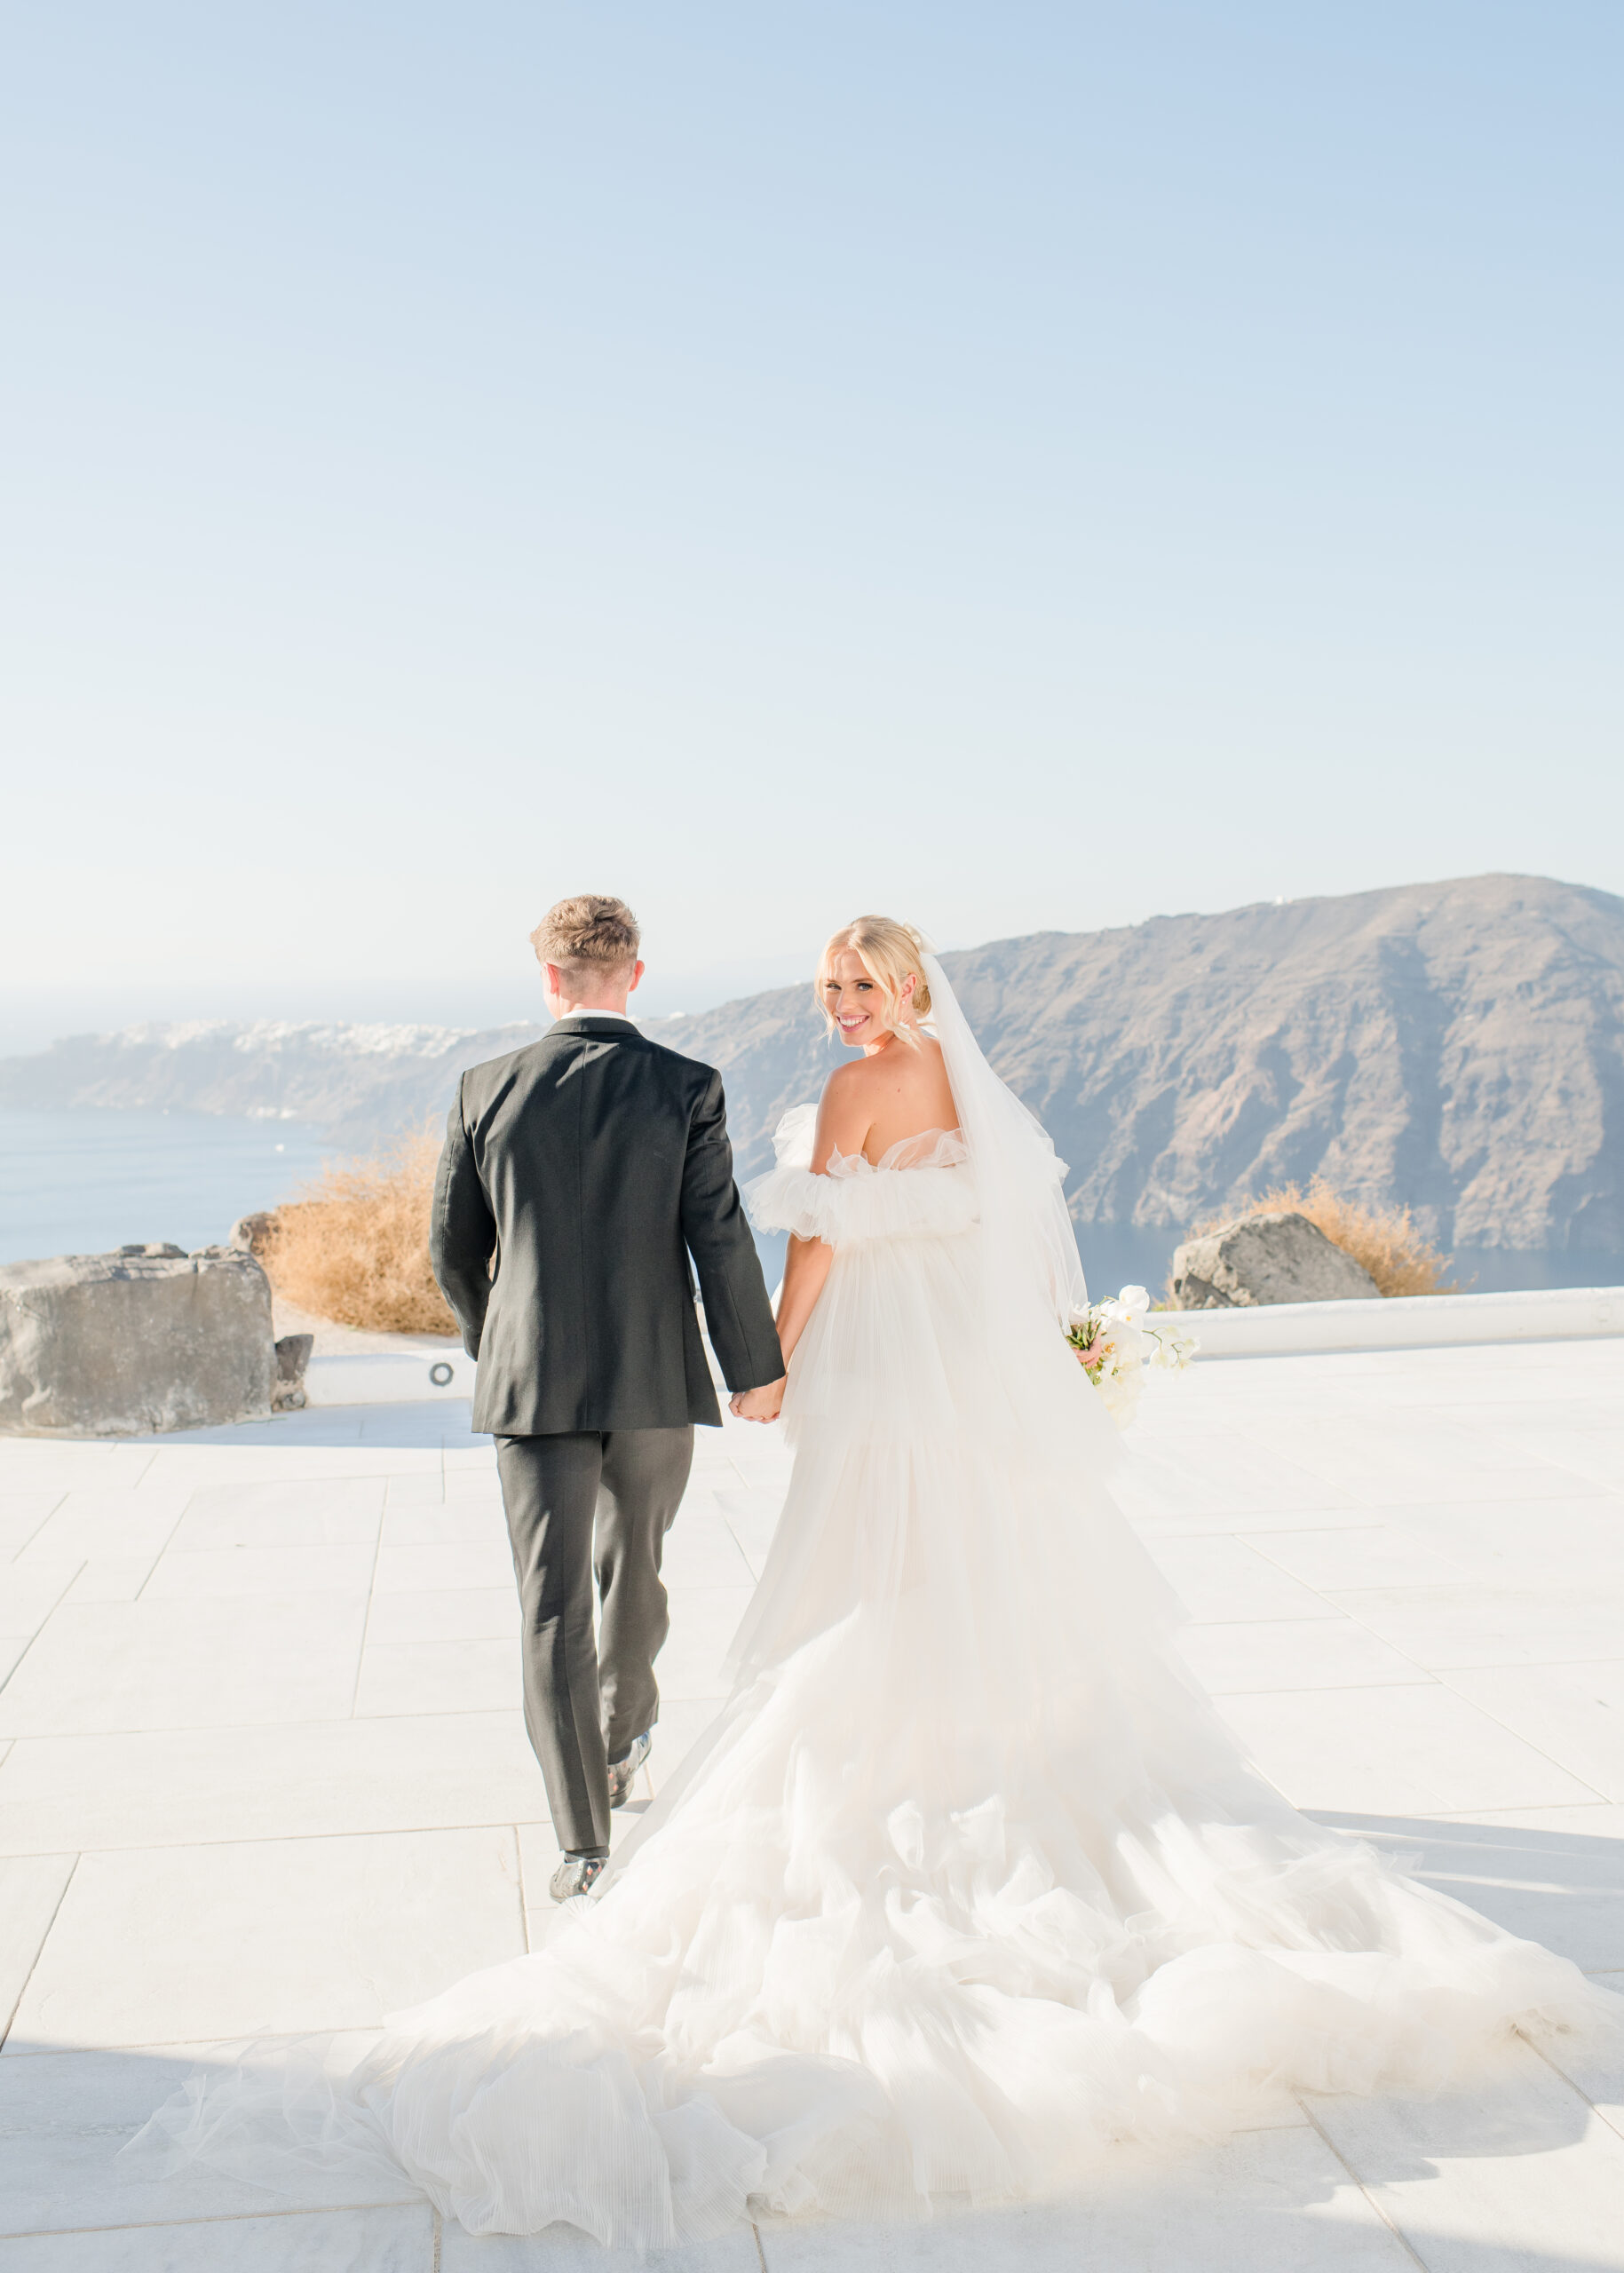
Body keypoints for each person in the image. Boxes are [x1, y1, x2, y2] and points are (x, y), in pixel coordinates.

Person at [131, 915, 1613, 2249]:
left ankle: (637, 1804)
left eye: (858, 983)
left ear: (907, 985)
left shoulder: (825, 1096)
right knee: (964, 1577)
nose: (839, 1004)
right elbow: (1005, 1257)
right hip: (965, 1394)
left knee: (842, 1593)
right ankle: (926, 1748)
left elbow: (809, 1249)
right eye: (830, 984)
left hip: (862, 1391)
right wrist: (1009, 1363)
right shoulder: (972, 1100)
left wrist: (766, 1370)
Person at [429, 893, 784, 1897]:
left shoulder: (482, 1087)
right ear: (634, 973)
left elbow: (450, 1250)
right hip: (652, 1379)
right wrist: (752, 1366)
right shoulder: (686, 1087)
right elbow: (717, 1236)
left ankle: (582, 1839)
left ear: (547, 977)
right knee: (634, 1571)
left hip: (530, 1381)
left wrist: (498, 1337)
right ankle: (623, 1739)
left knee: (550, 1611)